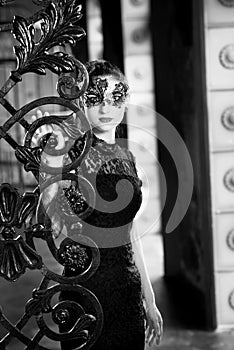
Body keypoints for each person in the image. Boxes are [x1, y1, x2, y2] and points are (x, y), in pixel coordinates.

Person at [36, 60, 163, 349]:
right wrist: (61, 134)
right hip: (86, 290)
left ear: (125, 101)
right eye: (95, 99)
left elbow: (130, 234)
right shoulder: (70, 155)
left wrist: (149, 298)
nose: (106, 108)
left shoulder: (127, 157)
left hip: (127, 290)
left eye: (114, 98)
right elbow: (53, 209)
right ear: (83, 101)